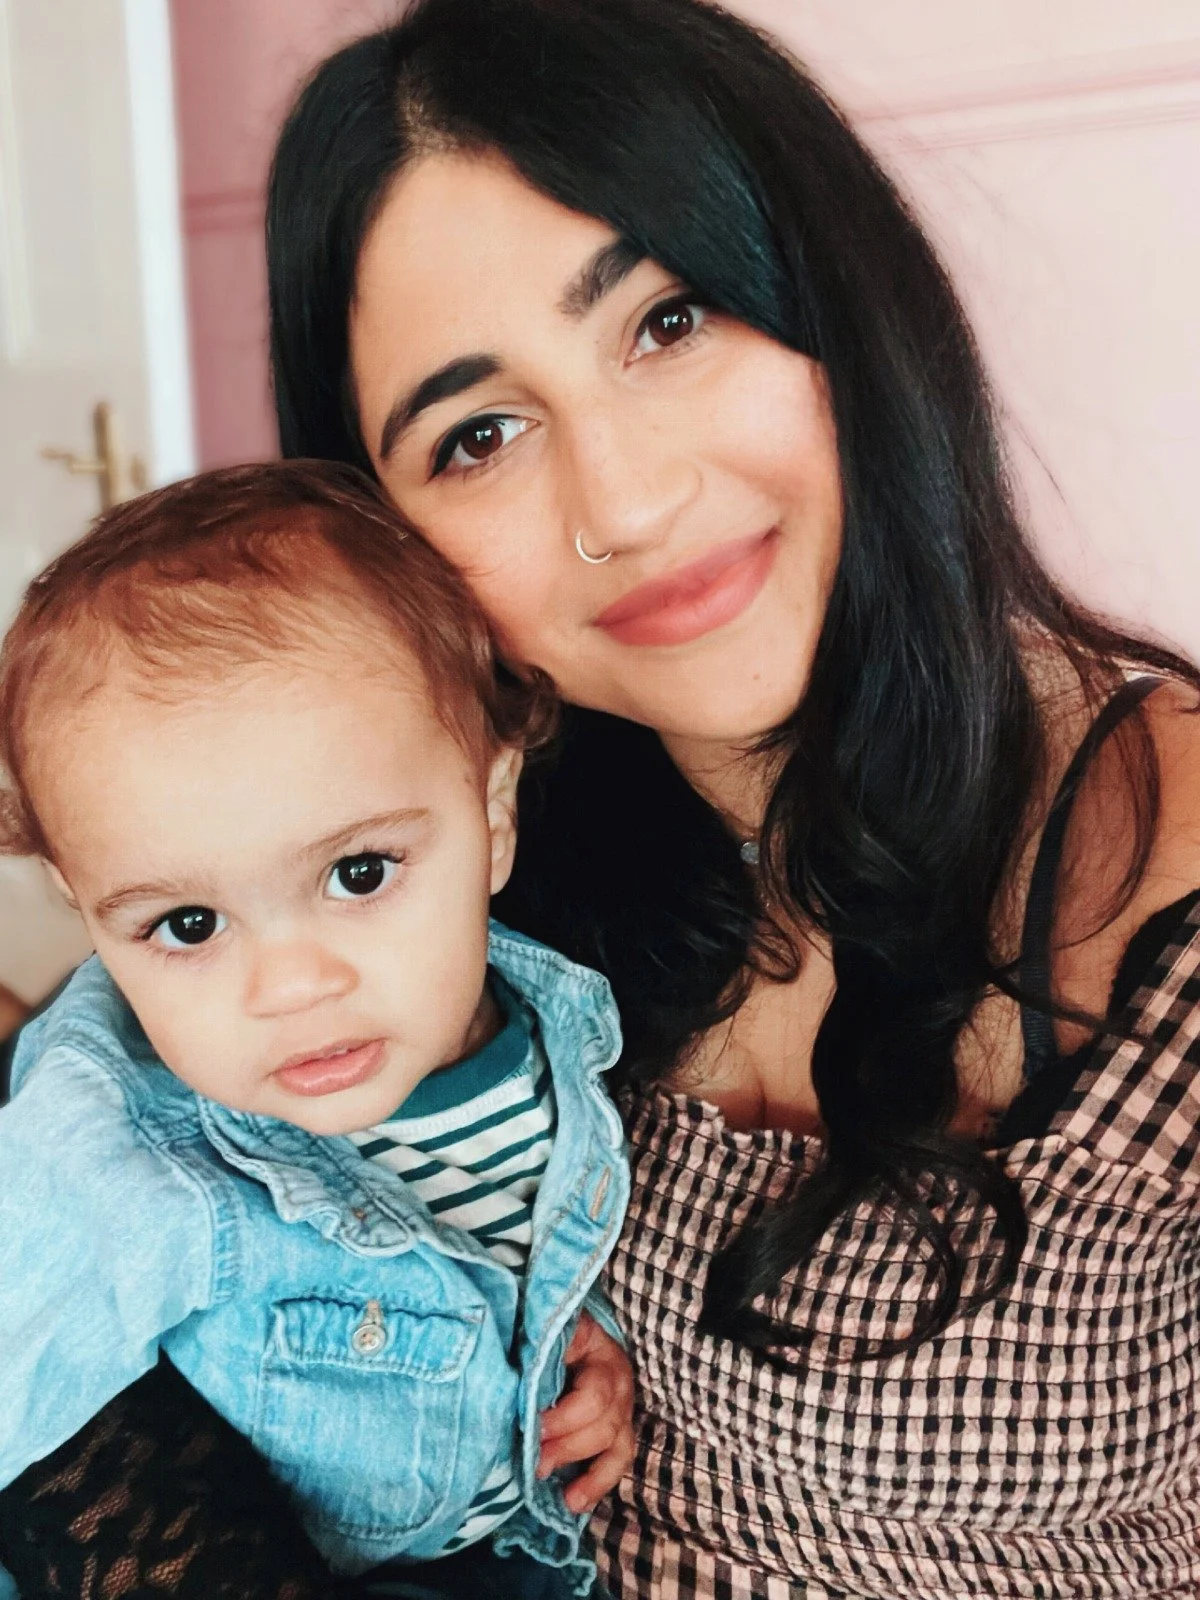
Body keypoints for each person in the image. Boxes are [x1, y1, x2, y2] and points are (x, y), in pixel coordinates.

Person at [3, 0, 1200, 1595]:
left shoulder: (1164, 887)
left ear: (836, 294)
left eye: (670, 322)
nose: (627, 501)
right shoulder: (425, 870)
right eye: (479, 434)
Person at [0, 462, 633, 1600]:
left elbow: (528, 1259)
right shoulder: (121, 1148)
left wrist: (586, 1364)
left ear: (492, 815)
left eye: (358, 871)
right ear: (84, 902)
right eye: (187, 922)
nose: (292, 985)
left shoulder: (561, 1033)